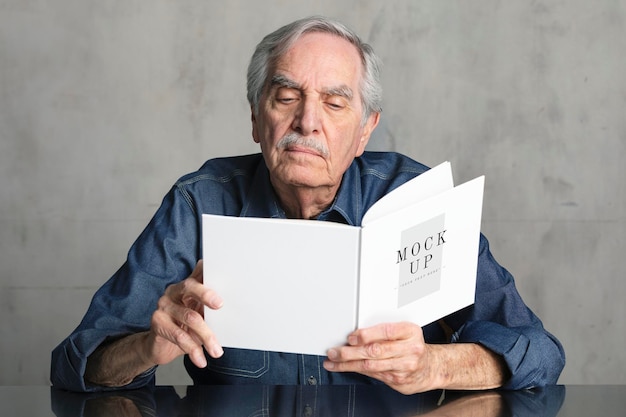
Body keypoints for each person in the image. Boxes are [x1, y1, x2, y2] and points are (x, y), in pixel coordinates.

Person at [50, 16, 565, 394]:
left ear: (365, 130)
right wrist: (151, 346)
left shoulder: (417, 201)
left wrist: (436, 366)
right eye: (286, 96)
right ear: (255, 118)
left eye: (335, 103)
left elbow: (540, 352)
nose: (307, 122)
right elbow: (75, 365)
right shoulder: (199, 201)